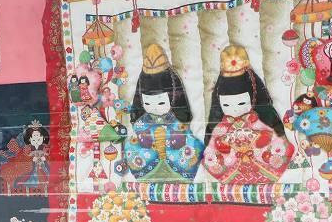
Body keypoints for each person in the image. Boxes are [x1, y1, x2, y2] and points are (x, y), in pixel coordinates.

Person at [202, 45, 293, 183]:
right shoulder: (222, 126)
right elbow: (213, 147)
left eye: (241, 103)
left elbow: (272, 138)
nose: (234, 110)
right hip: (232, 169)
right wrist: (222, 146)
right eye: (226, 105)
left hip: (261, 163)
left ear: (253, 100)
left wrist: (262, 138)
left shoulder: (256, 120)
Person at [124, 44, 204, 181]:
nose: (155, 108)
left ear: (173, 99)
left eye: (161, 103)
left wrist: (173, 141)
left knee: (193, 146)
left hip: (176, 161)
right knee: (130, 146)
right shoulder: (142, 123)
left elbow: (186, 137)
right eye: (147, 103)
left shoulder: (176, 121)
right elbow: (136, 139)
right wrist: (150, 144)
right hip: (148, 162)